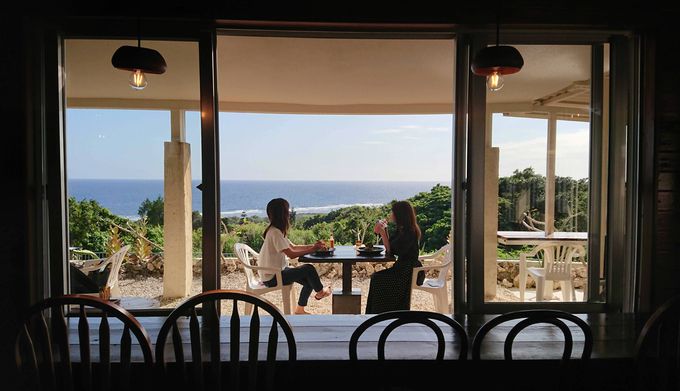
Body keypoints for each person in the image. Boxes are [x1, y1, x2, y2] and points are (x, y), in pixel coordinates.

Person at [259, 198, 332, 314]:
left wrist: (313, 246)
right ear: (282, 214)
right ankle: (321, 292)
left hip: (277, 272)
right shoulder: (275, 233)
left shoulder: (276, 231)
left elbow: (294, 247)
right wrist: (312, 249)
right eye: (287, 211)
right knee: (309, 268)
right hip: (273, 277)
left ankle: (300, 310)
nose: (289, 214)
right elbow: (292, 254)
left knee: (309, 281)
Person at [365, 200, 425, 314]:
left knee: (378, 279)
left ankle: (382, 314)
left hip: (408, 271)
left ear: (400, 214)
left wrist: (383, 233)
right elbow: (391, 248)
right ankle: (375, 314)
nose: (391, 215)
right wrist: (384, 230)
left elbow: (392, 250)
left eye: (393, 212)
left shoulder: (410, 232)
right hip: (402, 268)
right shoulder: (402, 229)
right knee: (376, 278)